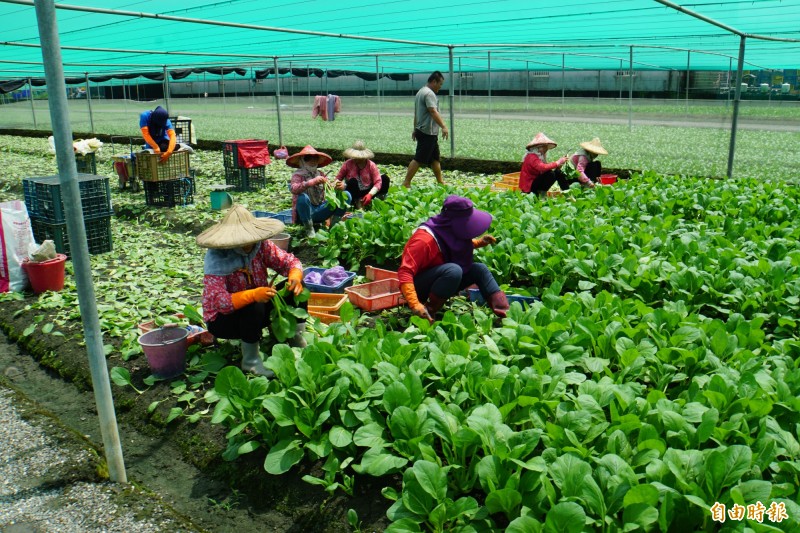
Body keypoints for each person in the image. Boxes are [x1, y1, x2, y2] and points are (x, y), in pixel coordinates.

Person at [197, 205, 307, 378]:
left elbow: (288, 262)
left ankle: (295, 338)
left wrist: (295, 275)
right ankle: (251, 361)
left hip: (257, 309)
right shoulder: (217, 258)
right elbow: (221, 302)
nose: (248, 245)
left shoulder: (261, 246)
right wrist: (253, 294)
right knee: (253, 305)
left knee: (296, 288)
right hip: (225, 321)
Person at [398, 195, 509, 322]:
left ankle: (505, 313)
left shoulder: (448, 229)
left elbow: (450, 245)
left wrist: (479, 242)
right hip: (419, 287)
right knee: (454, 270)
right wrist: (415, 304)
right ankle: (428, 312)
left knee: (480, 269)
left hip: (443, 280)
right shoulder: (423, 240)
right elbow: (405, 272)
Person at [288, 145, 352, 238]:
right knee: (302, 198)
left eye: (315, 158)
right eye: (308, 158)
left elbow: (330, 188)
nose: (312, 161)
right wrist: (311, 182)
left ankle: (333, 226)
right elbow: (293, 189)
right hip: (305, 213)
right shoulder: (297, 175)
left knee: (346, 195)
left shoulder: (320, 174)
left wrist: (340, 186)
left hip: (321, 209)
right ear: (302, 160)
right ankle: (309, 228)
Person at [403, 71, 449, 188]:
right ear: (434, 81)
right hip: (427, 132)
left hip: (424, 130)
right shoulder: (429, 94)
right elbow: (433, 111)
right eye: (440, 84)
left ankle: (440, 181)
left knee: (435, 158)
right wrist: (443, 126)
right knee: (419, 158)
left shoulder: (420, 92)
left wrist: (415, 128)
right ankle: (406, 182)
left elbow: (416, 113)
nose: (440, 87)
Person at [336, 140, 390, 208]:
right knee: (353, 181)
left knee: (384, 179)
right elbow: (338, 178)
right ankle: (357, 203)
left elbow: (378, 182)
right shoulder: (347, 164)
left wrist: (370, 194)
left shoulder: (371, 165)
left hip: (368, 191)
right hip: (354, 192)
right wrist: (339, 185)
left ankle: (379, 200)